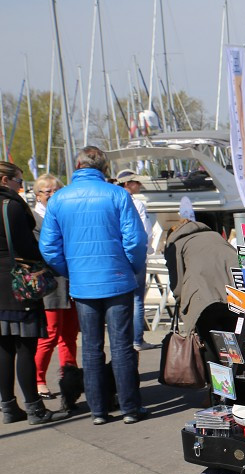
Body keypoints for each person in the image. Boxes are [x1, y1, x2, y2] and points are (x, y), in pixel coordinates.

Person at [39, 146, 149, 425]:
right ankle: (129, 408)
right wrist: (131, 268)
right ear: (104, 168)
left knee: (90, 347)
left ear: (77, 165)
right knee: (122, 347)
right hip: (117, 280)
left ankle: (98, 410)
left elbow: (49, 248)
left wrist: (72, 271)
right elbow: (135, 241)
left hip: (83, 283)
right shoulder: (117, 195)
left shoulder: (59, 199)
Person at [0, 161, 60, 424]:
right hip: (17, 284)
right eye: (18, 181)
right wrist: (48, 260)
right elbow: (26, 247)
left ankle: (8, 407)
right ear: (5, 179)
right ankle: (34, 408)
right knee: (26, 347)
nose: (21, 186)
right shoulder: (10, 206)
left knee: (3, 348)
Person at [31, 174, 80, 405]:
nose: (52, 194)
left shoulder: (65, 214)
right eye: (47, 191)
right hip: (50, 283)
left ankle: (69, 378)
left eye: (56, 190)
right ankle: (38, 379)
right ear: (38, 195)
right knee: (49, 334)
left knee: (70, 334)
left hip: (70, 280)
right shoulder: (34, 218)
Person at [115, 168, 158, 351]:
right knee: (137, 299)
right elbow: (145, 233)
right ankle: (137, 340)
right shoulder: (137, 204)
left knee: (118, 300)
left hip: (117, 256)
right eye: (136, 182)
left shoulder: (111, 201)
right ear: (127, 184)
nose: (139, 185)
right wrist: (146, 251)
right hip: (134, 255)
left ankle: (123, 339)